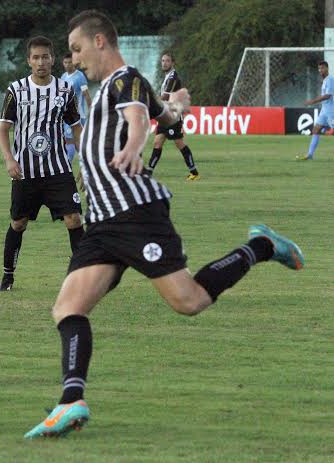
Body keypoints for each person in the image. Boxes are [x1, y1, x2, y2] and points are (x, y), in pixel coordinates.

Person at [24, 10, 305, 439]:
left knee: (189, 301)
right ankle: (71, 402)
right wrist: (176, 108)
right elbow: (166, 116)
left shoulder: (125, 79)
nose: (74, 59)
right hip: (102, 223)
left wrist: (136, 146)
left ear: (100, 42)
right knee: (68, 307)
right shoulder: (116, 90)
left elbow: (138, 121)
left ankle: (262, 246)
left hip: (135, 215)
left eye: (77, 49)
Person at [0, 36, 85, 292]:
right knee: (18, 223)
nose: (41, 62)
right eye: (36, 57)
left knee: (74, 219)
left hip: (58, 170)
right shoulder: (16, 90)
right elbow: (3, 130)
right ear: (29, 61)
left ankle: (80, 279)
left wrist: (86, 164)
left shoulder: (64, 90)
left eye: (45, 56)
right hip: (26, 172)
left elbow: (77, 128)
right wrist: (9, 159)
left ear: (53, 59)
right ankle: (7, 276)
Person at [147, 52, 200, 180]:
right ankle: (148, 173)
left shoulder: (173, 77)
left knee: (179, 143)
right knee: (157, 143)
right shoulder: (167, 77)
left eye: (167, 61)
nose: (164, 63)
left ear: (172, 63)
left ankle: (194, 173)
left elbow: (165, 96)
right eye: (163, 61)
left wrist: (150, 104)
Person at [297, 60, 334, 161]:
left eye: (322, 68)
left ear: (327, 68)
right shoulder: (325, 80)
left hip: (331, 111)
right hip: (324, 111)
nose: (320, 70)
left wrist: (312, 101)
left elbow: (327, 96)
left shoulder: (330, 79)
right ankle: (310, 155)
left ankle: (325, 130)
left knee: (331, 132)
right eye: (319, 68)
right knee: (316, 130)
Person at [61, 52, 92, 161]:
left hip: (78, 114)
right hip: (66, 114)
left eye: (70, 62)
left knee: (75, 141)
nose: (68, 65)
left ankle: (73, 167)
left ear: (74, 63)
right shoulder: (63, 76)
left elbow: (86, 94)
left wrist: (91, 110)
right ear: (63, 63)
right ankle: (79, 166)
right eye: (65, 62)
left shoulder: (80, 76)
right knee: (70, 140)